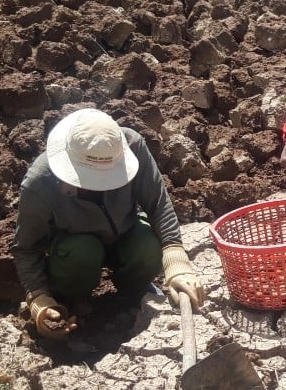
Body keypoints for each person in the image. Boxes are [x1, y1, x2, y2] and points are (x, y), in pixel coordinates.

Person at [12, 108, 206, 340]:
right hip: (76, 249)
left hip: (124, 233)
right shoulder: (39, 183)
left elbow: (158, 204)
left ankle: (133, 294)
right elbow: (26, 248)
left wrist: (177, 260)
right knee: (82, 252)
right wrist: (38, 297)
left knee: (147, 246)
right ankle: (72, 301)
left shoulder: (132, 146)